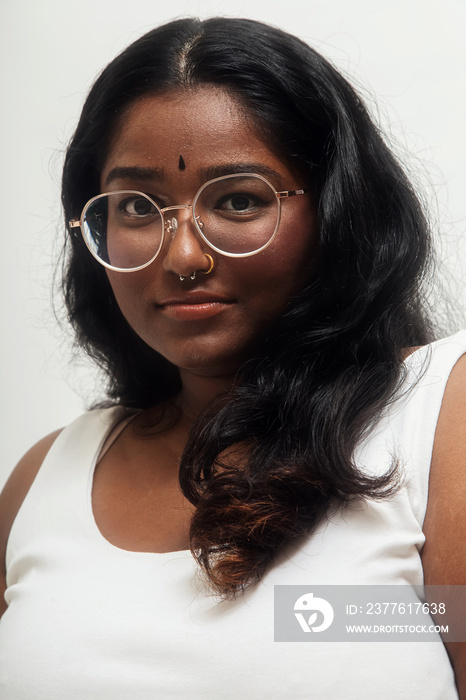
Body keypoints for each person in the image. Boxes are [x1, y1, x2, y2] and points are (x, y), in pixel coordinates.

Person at [0, 16, 464, 699]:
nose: (184, 256)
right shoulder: (46, 478)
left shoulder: (437, 417)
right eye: (136, 206)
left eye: (240, 200)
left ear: (337, 210)